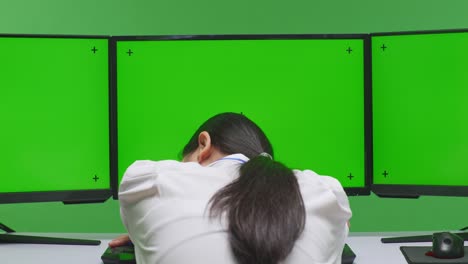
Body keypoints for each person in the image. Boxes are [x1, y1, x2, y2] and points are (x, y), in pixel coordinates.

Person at [110, 112, 352, 264]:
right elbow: (341, 227)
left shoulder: (150, 180)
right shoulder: (325, 193)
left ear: (203, 145)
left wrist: (142, 234)